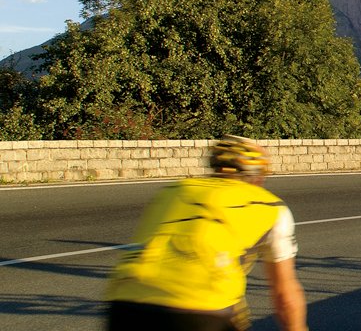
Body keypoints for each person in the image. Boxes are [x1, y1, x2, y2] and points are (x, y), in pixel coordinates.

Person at [105, 135, 307, 331]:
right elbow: (284, 295)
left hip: (125, 300)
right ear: (259, 177)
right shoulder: (270, 206)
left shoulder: (173, 190)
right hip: (201, 307)